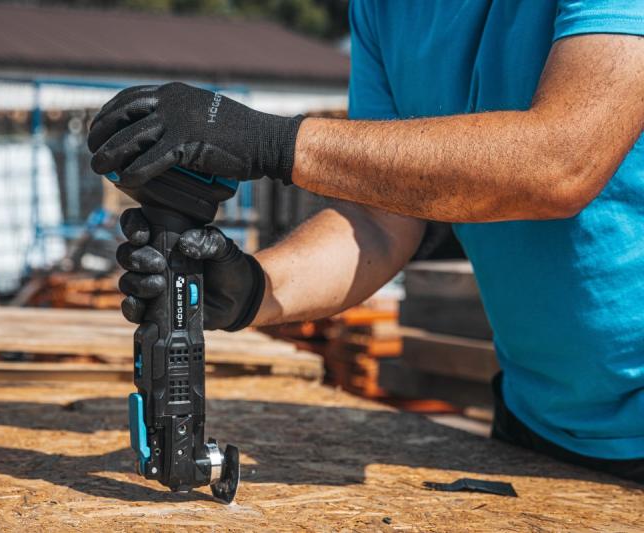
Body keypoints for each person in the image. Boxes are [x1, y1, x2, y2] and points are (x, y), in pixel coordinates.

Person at [87, 1, 644, 483]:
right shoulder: (384, 9)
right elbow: (380, 221)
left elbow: (562, 162)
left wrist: (272, 142)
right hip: (542, 419)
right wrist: (255, 287)